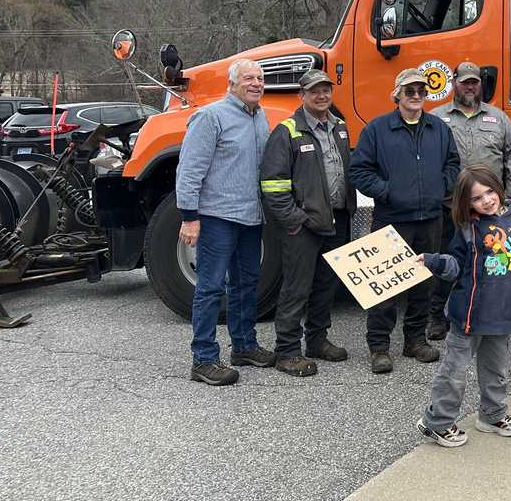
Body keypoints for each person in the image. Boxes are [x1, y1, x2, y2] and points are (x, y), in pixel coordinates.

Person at [414, 166, 511, 447]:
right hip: (470, 315)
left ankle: (492, 414)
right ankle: (436, 422)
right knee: (454, 372)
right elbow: (454, 266)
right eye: (477, 198)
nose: (487, 200)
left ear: (498, 188)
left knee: (497, 369)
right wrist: (432, 261)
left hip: (504, 312)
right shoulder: (467, 229)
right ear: (466, 203)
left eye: (489, 192)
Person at [349, 67, 461, 373]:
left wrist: (443, 188)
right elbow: (358, 170)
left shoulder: (438, 128)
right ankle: (379, 347)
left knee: (424, 283)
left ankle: (415, 340)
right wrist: (387, 191)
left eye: (421, 92)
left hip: (430, 219)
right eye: (409, 91)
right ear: (397, 95)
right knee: (386, 287)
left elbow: (453, 163)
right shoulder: (377, 129)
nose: (415, 96)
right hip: (392, 220)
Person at [176, 58, 273, 386]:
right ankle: (203, 359)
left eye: (260, 78)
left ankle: (244, 345)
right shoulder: (210, 117)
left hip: (250, 217)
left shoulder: (261, 117)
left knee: (246, 283)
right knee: (211, 287)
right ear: (231, 84)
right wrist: (189, 217)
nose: (256, 83)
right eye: (248, 78)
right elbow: (189, 169)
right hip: (217, 217)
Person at [260, 69, 356, 377]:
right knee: (296, 288)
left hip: (336, 220)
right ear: (302, 96)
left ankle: (317, 340)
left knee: (326, 285)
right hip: (303, 226)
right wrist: (295, 220)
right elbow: (273, 185)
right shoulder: (287, 131)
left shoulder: (340, 128)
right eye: (314, 91)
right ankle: (287, 351)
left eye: (326, 90)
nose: (321, 95)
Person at [429, 60, 511, 341]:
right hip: (450, 208)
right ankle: (437, 316)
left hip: (489, 209)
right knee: (448, 260)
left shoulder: (499, 118)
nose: (470, 86)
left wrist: (508, 198)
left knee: (488, 262)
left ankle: (483, 313)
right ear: (454, 83)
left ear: (481, 85)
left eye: (475, 82)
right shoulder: (436, 117)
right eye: (464, 81)